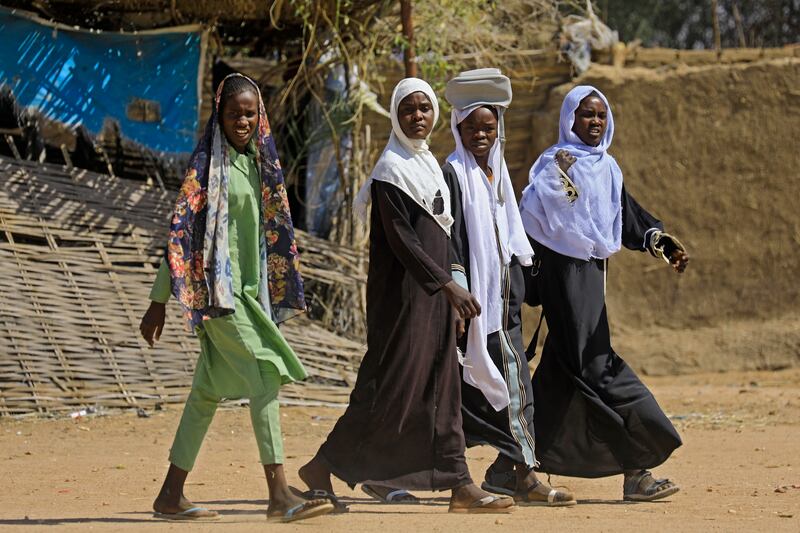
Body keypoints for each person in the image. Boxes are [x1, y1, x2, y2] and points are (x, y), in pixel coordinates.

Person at [297, 78, 514, 514]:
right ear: (396, 115)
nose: (418, 116)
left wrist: (453, 289)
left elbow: (445, 234)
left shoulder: (429, 164)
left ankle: (459, 482)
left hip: (433, 298)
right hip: (400, 302)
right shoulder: (390, 170)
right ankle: (322, 466)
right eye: (409, 109)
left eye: (424, 109)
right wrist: (449, 287)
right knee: (388, 388)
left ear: (435, 114)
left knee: (444, 386)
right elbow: (403, 242)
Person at [139, 74, 333, 522]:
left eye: (249, 113)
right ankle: (279, 493)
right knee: (265, 372)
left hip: (249, 297)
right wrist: (158, 299)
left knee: (206, 393)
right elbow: (181, 234)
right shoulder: (206, 170)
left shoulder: (258, 167)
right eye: (234, 113)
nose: (242, 120)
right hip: (218, 297)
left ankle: (171, 494)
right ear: (219, 116)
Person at [517, 85, 688, 501]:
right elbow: (549, 216)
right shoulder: (552, 165)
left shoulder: (608, 168)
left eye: (600, 116)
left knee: (560, 376)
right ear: (569, 120)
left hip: (591, 275)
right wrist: (563, 174)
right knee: (597, 369)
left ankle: (510, 467)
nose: (595, 122)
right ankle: (637, 465)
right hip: (564, 276)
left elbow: (625, 215)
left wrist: (657, 240)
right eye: (586, 115)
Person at [441, 69, 577, 507]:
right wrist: (461, 297)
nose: (480, 134)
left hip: (506, 301)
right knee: (512, 389)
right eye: (471, 127)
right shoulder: (454, 174)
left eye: (488, 126)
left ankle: (508, 470)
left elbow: (510, 236)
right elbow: (454, 239)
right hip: (479, 304)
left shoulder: (497, 172)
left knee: (506, 388)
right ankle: (520, 474)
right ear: (458, 128)